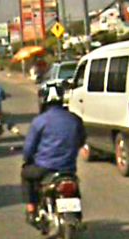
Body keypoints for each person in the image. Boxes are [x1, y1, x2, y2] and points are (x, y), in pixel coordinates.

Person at [21, 83, 86, 224]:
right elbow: (81, 140)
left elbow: (29, 149)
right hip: (68, 168)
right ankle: (77, 215)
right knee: (74, 185)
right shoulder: (74, 119)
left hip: (44, 167)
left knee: (26, 173)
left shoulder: (39, 121)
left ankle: (31, 208)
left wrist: (27, 159)